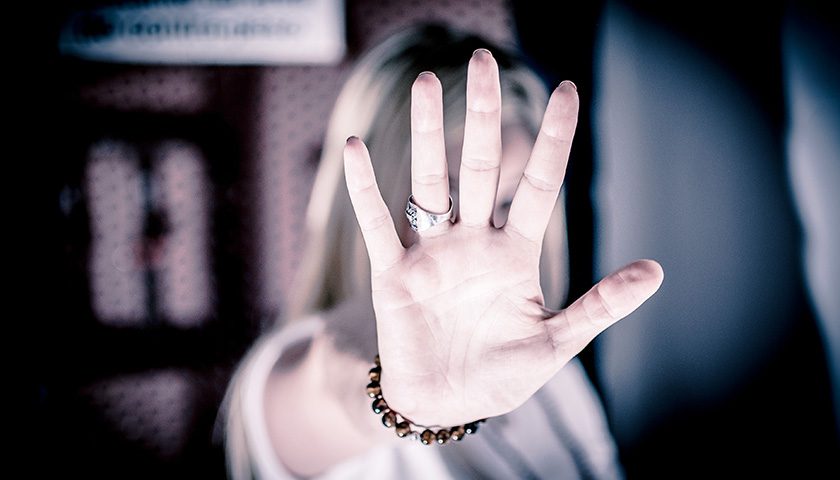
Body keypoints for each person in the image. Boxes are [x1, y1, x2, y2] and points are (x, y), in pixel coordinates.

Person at [221, 24, 663, 479]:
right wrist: (402, 405)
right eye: (444, 204)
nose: (483, 235)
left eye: (509, 202)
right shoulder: (288, 374)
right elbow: (331, 391)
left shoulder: (550, 369)